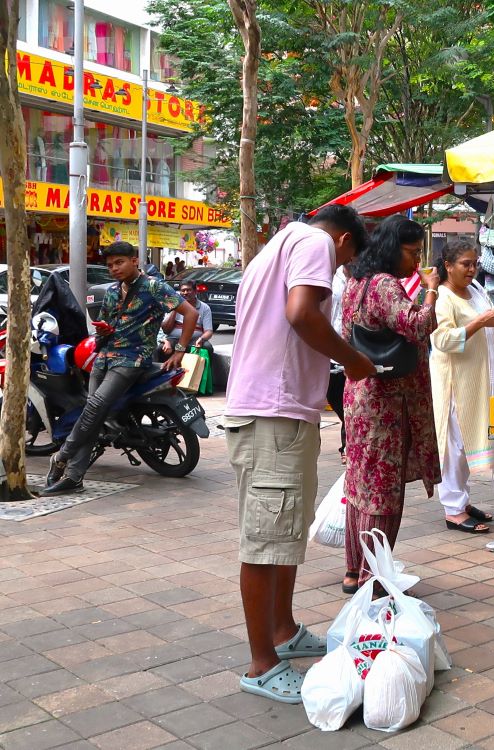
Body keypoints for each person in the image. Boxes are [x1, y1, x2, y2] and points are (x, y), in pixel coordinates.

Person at [224, 204, 374, 704]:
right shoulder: (315, 244)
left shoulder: (276, 246)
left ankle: (284, 632)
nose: (339, 270)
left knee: (283, 532)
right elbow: (301, 313)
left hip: (278, 411)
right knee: (265, 540)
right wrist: (353, 359)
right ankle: (261, 663)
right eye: (346, 263)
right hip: (273, 412)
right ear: (345, 241)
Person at [42, 241, 197, 496]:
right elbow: (106, 326)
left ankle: (61, 456)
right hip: (103, 358)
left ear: (134, 260)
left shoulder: (154, 286)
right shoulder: (113, 291)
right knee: (93, 416)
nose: (114, 268)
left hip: (132, 359)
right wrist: (103, 331)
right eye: (110, 265)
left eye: (120, 262)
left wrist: (180, 349)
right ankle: (74, 477)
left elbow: (190, 313)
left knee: (93, 408)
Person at [341, 215, 441, 594]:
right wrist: (430, 290)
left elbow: (345, 333)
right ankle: (373, 576)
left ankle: (355, 569)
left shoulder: (355, 283)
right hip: (385, 401)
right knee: (383, 489)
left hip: (360, 395)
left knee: (360, 485)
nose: (416, 261)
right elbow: (417, 325)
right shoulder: (384, 284)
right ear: (391, 248)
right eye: (412, 252)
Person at [430, 240, 494, 534]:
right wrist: (480, 322)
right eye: (465, 264)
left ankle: (462, 501)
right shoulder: (442, 297)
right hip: (454, 381)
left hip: (477, 377)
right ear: (448, 266)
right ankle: (452, 509)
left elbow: (484, 320)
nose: (472, 269)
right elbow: (442, 340)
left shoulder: (476, 289)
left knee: (467, 442)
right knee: (453, 445)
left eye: (475, 263)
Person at [325, 264, 349, 463]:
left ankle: (347, 446)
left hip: (353, 349)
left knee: (349, 400)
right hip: (330, 347)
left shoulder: (365, 277)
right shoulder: (332, 275)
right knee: (335, 397)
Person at [161, 280, 214, 356]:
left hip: (194, 340)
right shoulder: (172, 304)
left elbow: (208, 331)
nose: (185, 293)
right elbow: (165, 329)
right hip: (174, 339)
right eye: (183, 291)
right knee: (160, 349)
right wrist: (176, 308)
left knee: (207, 347)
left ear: (195, 291)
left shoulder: (205, 308)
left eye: (188, 290)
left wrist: (201, 339)